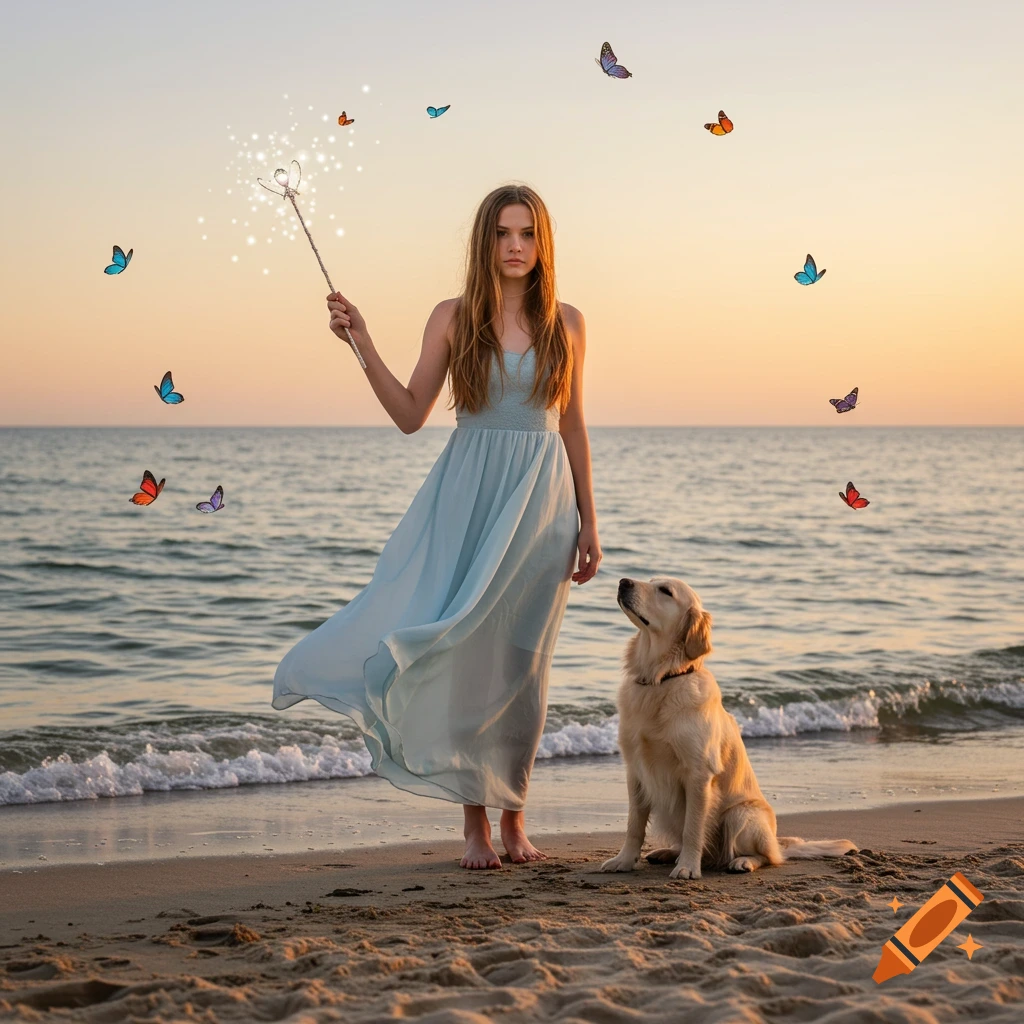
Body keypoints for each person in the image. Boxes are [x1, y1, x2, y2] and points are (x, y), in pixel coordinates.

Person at [272, 183, 602, 869]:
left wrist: (589, 520)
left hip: (544, 503)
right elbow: (409, 412)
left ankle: (516, 818)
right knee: (465, 653)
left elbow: (571, 420)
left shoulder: (567, 322)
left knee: (525, 665)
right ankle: (474, 825)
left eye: (528, 234)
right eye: (503, 234)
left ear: (543, 245)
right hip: (470, 495)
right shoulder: (453, 317)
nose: (516, 247)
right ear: (485, 243)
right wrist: (359, 341)